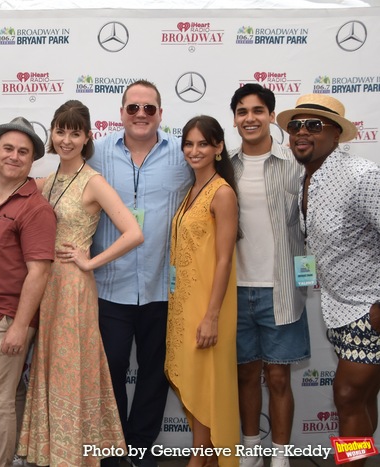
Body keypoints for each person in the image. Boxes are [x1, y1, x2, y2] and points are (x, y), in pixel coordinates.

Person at [17, 100, 142, 466]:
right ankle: (53, 452)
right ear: (52, 135)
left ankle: (75, 455)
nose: (67, 139)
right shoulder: (47, 181)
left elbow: (134, 233)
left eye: (75, 132)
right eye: (60, 131)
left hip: (74, 287)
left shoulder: (94, 181)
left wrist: (90, 262)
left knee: (72, 368)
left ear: (87, 137)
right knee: (50, 366)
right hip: (45, 285)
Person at [88, 80, 192, 467]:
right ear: (121, 113)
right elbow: (58, 181)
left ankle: (142, 449)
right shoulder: (96, 153)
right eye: (133, 108)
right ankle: (115, 450)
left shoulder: (183, 156)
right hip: (108, 286)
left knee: (154, 374)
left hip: (161, 288)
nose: (141, 114)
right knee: (110, 372)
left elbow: (216, 186)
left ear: (161, 114)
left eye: (149, 108)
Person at [277, 94, 379, 466]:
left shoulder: (361, 176)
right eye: (295, 126)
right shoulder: (305, 177)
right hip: (336, 306)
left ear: (336, 134)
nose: (302, 133)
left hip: (369, 310)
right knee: (363, 399)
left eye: (314, 125)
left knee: (348, 395)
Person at [0, 117, 56, 467]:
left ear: (32, 160)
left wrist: (19, 325)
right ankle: (19, 456)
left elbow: (39, 271)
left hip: (6, 318)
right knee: (11, 392)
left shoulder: (36, 208)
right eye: (8, 148)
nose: (14, 156)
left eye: (23, 151)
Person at [228, 84, 309, 467]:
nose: (250, 118)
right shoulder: (225, 168)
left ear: (272, 116)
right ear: (234, 119)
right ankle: (250, 451)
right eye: (242, 111)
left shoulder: (295, 166)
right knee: (245, 378)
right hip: (236, 291)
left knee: (278, 379)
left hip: (281, 290)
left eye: (258, 110)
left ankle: (279, 456)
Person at [165, 115, 239, 467]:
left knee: (207, 379)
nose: (194, 151)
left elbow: (224, 260)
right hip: (185, 302)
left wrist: (211, 316)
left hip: (209, 305)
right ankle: (203, 452)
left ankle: (203, 456)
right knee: (195, 378)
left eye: (203, 144)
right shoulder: (192, 190)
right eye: (189, 144)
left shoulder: (222, 193)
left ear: (218, 148)